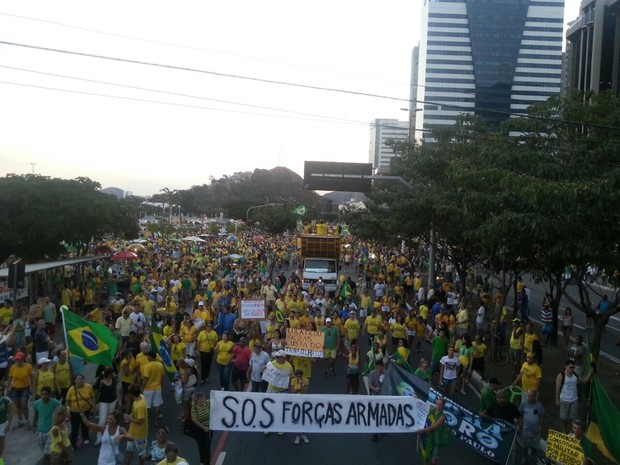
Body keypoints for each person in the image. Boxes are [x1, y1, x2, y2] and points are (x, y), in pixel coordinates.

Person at [555, 359, 592, 433]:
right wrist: (557, 399)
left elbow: (583, 380)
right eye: (570, 367)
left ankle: (571, 430)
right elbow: (557, 388)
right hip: (564, 400)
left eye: (573, 367)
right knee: (564, 417)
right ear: (566, 366)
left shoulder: (575, 375)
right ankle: (564, 430)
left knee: (572, 418)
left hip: (574, 400)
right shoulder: (561, 376)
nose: (572, 369)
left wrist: (590, 373)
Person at [416, 397, 451, 465]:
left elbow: (433, 427)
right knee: (428, 452)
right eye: (437, 403)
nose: (438, 405)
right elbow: (424, 404)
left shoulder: (442, 417)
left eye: (440, 404)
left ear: (443, 406)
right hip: (428, 436)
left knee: (434, 459)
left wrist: (421, 430)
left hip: (436, 439)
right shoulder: (433, 409)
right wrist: (417, 398)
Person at [65, 374, 96, 448]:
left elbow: (93, 397)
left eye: (81, 379)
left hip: (85, 411)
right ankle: (73, 443)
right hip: (74, 412)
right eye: (77, 379)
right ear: (75, 381)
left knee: (85, 425)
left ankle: (86, 437)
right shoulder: (71, 389)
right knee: (74, 428)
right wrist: (68, 409)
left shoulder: (88, 387)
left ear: (83, 379)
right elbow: (67, 401)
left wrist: (94, 406)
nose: (79, 380)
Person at [33, 385, 60, 465]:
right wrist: (33, 425)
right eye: (42, 394)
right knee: (45, 454)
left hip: (51, 431)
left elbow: (62, 413)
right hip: (40, 430)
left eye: (46, 394)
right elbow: (36, 414)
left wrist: (57, 424)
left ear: (49, 394)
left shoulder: (55, 402)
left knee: (48, 452)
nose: (44, 396)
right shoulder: (36, 403)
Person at [124, 383, 148, 465]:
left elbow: (141, 421)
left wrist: (129, 417)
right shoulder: (141, 397)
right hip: (132, 432)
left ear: (131, 394)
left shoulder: (140, 406)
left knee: (141, 453)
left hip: (139, 434)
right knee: (129, 451)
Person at [518, 389, 544, 465]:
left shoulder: (539, 405)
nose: (529, 397)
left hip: (535, 430)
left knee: (535, 446)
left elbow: (542, 416)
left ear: (535, 397)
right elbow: (520, 414)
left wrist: (539, 427)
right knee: (525, 446)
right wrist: (520, 426)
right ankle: (525, 457)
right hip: (526, 429)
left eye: (531, 396)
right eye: (528, 396)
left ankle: (533, 455)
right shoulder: (524, 404)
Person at [7, 351, 33, 428]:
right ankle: (20, 420)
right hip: (15, 389)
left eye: (19, 359)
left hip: (25, 388)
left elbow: (31, 378)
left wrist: (31, 387)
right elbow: (10, 378)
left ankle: (27, 421)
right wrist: (8, 388)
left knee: (24, 405)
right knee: (18, 406)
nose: (18, 361)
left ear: (23, 359)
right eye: (17, 359)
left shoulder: (28, 367)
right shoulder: (13, 367)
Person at [93, 367, 118, 446]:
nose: (115, 374)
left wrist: (119, 400)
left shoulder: (113, 380)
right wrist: (94, 404)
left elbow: (115, 390)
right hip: (103, 402)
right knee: (102, 420)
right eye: (113, 373)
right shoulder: (100, 382)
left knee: (110, 419)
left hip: (113, 401)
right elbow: (95, 392)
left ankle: (108, 435)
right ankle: (99, 438)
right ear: (109, 375)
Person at [141, 350, 165, 427]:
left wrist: (142, 388)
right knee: (157, 405)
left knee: (146, 406)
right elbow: (162, 376)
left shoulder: (147, 366)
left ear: (151, 357)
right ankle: (156, 421)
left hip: (148, 389)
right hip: (157, 387)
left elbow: (145, 378)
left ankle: (145, 421)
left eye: (148, 356)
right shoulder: (160, 365)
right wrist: (162, 384)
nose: (147, 357)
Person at [189, 392, 211, 465]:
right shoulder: (194, 408)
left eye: (203, 398)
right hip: (200, 430)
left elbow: (216, 399)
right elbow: (194, 420)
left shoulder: (207, 403)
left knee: (208, 445)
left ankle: (206, 461)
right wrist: (204, 427)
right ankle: (203, 461)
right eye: (201, 399)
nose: (203, 400)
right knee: (202, 446)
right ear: (197, 400)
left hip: (208, 430)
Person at [290, 369, 310, 445]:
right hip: (295, 401)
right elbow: (292, 391)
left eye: (300, 375)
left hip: (303, 401)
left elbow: (305, 391)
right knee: (296, 418)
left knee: (303, 418)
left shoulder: (306, 380)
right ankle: (297, 435)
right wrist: (298, 388)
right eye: (297, 375)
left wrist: (301, 385)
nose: (298, 377)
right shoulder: (293, 380)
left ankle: (303, 434)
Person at [368, 359, 385, 442]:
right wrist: (375, 389)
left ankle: (381, 428)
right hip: (375, 396)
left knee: (382, 413)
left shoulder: (385, 373)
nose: (383, 367)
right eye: (382, 366)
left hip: (383, 397)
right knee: (375, 414)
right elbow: (370, 384)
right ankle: (374, 432)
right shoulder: (372, 373)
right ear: (378, 366)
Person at [0, 383, 13, 465]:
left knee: (1, 442)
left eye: (1, 390)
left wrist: (8, 424)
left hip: (2, 424)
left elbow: (11, 413)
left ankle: (0, 458)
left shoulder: (6, 400)